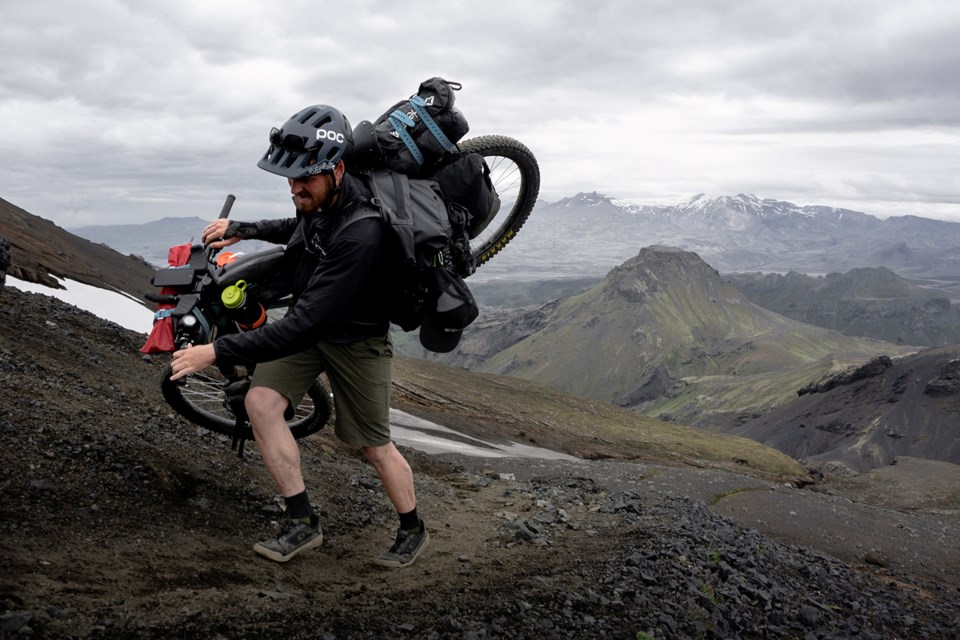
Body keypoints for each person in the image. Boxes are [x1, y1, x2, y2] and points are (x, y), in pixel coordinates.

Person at [169, 104, 428, 567]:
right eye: (289, 180)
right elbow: (300, 227)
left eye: (304, 180)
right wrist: (244, 229)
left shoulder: (362, 233)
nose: (295, 188)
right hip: (314, 327)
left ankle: (412, 527)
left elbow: (301, 326)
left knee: (373, 445)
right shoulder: (324, 198)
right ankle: (302, 520)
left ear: (337, 169)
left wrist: (217, 350)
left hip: (357, 341)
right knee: (260, 403)